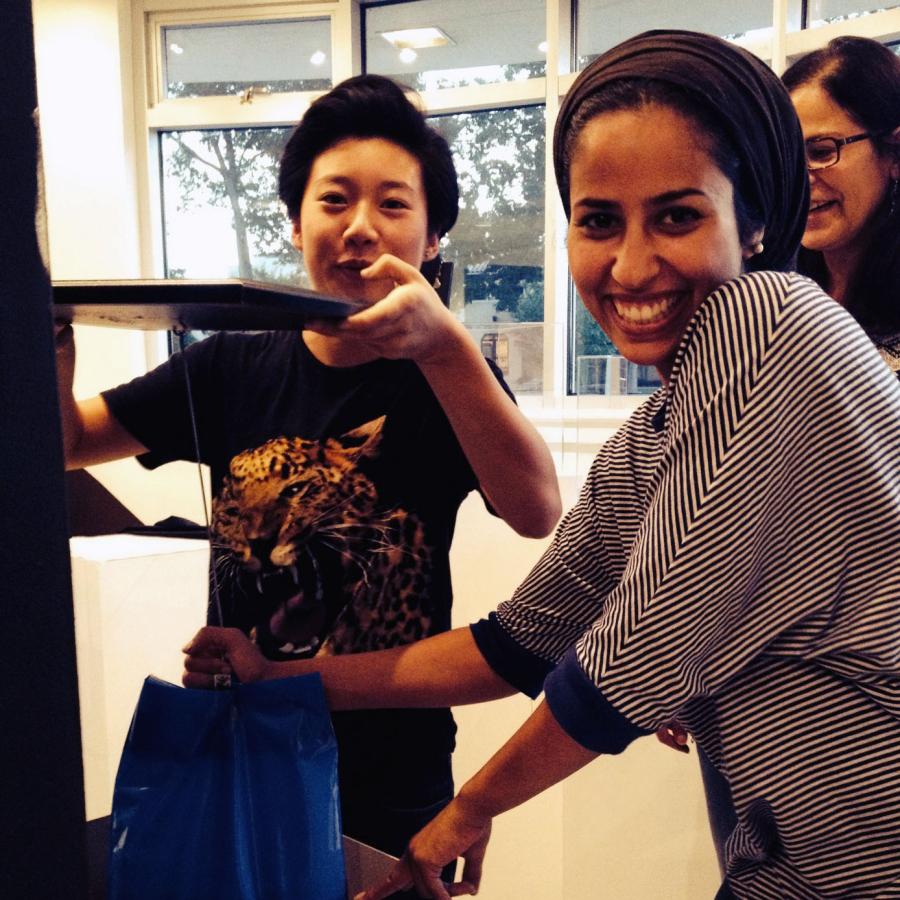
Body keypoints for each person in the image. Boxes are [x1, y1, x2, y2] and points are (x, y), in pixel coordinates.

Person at [184, 32, 900, 900]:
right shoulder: (649, 439)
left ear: (756, 222)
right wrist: (278, 678)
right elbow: (515, 644)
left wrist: (470, 806)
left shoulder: (776, 320)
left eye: (678, 216)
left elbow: (637, 654)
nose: (630, 265)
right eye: (599, 221)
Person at [56, 74, 561, 888]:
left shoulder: (443, 377)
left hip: (395, 775)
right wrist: (48, 334)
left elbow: (537, 510)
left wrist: (445, 347)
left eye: (392, 204)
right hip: (244, 751)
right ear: (295, 224)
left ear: (433, 237)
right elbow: (68, 441)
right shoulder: (229, 366)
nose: (360, 226)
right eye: (334, 200)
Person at [782, 36, 900, 377]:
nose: (799, 181)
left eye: (821, 152)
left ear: (894, 154)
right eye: (788, 158)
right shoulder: (780, 294)